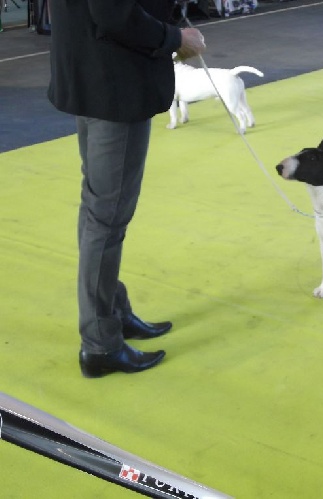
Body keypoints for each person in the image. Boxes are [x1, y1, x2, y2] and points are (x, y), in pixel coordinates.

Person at [47, 1, 206, 378]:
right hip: (113, 83)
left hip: (90, 75)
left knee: (99, 210)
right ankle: (100, 342)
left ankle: (112, 315)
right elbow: (113, 13)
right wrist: (174, 38)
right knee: (107, 217)